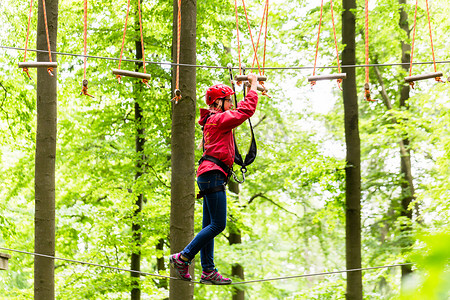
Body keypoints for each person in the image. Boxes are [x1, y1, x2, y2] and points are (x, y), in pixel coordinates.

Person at [170, 73, 259, 285]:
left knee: (209, 224)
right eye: (228, 100)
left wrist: (247, 89)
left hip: (210, 174)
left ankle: (208, 270)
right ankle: (183, 257)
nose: (231, 103)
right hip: (212, 175)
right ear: (218, 102)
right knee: (218, 224)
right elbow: (246, 110)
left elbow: (239, 111)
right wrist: (253, 86)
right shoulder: (218, 119)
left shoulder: (215, 120)